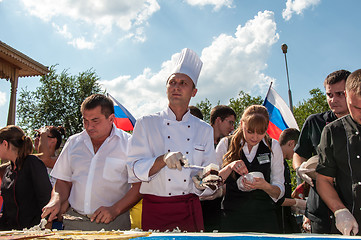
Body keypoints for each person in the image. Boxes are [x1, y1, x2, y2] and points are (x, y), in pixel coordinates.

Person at [127, 48, 218, 232]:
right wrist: (162, 160)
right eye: (172, 82)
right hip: (155, 207)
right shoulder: (146, 123)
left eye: (183, 83)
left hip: (189, 208)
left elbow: (210, 173)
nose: (176, 86)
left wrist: (203, 184)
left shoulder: (204, 130)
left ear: (194, 91)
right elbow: (133, 168)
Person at [42, 94, 141, 231]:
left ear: (111, 118)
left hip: (114, 224)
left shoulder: (129, 144)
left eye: (95, 121)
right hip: (74, 222)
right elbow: (63, 181)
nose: (89, 126)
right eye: (85, 120)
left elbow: (139, 186)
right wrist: (56, 200)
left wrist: (114, 210)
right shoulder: (73, 142)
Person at [293, 69, 351, 234]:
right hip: (320, 206)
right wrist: (300, 169)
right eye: (329, 95)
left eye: (340, 94)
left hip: (352, 203)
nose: (333, 100)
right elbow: (298, 152)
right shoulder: (315, 121)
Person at [216, 105, 284, 233]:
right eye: (250, 131)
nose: (255, 137)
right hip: (232, 219)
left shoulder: (273, 146)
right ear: (242, 124)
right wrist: (230, 167)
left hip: (265, 220)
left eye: (261, 132)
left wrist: (265, 186)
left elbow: (279, 191)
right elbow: (212, 183)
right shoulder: (225, 144)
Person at [316, 69, 361, 236]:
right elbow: (324, 180)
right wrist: (339, 210)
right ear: (347, 97)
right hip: (350, 225)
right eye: (356, 107)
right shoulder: (332, 131)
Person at [0, 125, 52, 230]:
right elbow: (6, 210)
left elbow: (46, 200)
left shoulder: (32, 163)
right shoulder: (7, 171)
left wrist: (46, 228)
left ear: (5, 144)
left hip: (32, 232)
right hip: (9, 233)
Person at [277, 128, 305, 233]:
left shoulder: (283, 163)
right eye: (298, 149)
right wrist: (297, 203)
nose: (298, 154)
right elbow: (273, 198)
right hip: (275, 223)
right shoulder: (274, 163)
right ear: (291, 143)